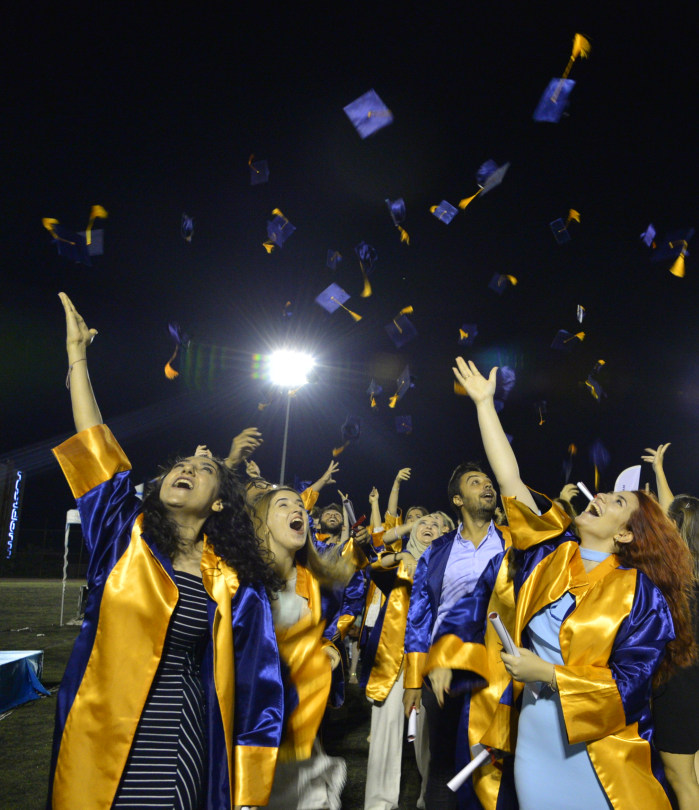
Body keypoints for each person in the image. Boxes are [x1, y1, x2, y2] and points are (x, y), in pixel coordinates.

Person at [426, 357, 696, 810]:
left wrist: (549, 674)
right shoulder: (551, 553)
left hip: (601, 749)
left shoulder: (641, 594)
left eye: (617, 501)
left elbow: (629, 684)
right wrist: (484, 405)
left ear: (626, 533)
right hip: (536, 737)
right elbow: (510, 479)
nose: (602, 497)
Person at [48, 293, 284, 809]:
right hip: (97, 739)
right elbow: (96, 447)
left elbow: (257, 692)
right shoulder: (120, 537)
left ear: (220, 504)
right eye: (180, 464)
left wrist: (247, 793)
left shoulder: (233, 583)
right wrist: (77, 358)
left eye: (202, 471)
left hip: (183, 744)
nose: (186, 468)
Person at [403, 362, 512, 810]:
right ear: (456, 500)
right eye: (475, 482)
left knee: (494, 768)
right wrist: (415, 677)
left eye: (488, 482)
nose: (486, 485)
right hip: (444, 667)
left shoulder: (512, 544)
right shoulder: (437, 551)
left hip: (500, 667)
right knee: (443, 771)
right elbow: (420, 612)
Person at [251, 486, 357, 810]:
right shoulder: (238, 580)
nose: (298, 509)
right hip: (251, 732)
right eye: (283, 504)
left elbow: (328, 632)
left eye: (300, 505)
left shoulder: (318, 584)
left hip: (301, 734)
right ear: (261, 522)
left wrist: (331, 651)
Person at [359, 471, 449, 810]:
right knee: (384, 735)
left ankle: (430, 798)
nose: (429, 526)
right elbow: (373, 567)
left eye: (437, 525)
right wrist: (401, 556)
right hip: (392, 662)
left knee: (427, 738)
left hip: (432, 663)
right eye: (424, 522)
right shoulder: (399, 562)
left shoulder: (451, 566)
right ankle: (380, 804)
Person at [646, 441, 699, 810]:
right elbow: (675, 513)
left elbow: (667, 516)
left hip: (677, 677)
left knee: (678, 777)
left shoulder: (671, 569)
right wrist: (659, 471)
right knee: (691, 758)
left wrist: (659, 475)